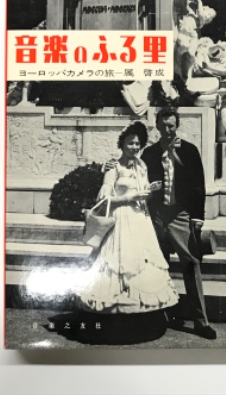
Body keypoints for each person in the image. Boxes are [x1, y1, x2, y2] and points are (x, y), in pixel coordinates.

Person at [75, 121, 179, 342]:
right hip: (121, 218)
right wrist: (129, 197)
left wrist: (149, 192)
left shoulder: (141, 166)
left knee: (142, 261)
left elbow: (143, 192)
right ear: (122, 144)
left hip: (140, 218)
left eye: (138, 144)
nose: (134, 147)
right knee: (118, 263)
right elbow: (103, 199)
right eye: (130, 143)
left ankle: (139, 317)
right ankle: (114, 318)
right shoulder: (114, 166)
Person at [140, 107, 217, 340]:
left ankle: (201, 322)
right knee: (158, 265)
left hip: (180, 214)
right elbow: (141, 180)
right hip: (157, 215)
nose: (167, 130)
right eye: (163, 125)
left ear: (177, 125)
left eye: (171, 125)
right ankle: (161, 316)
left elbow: (198, 184)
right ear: (157, 126)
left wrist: (197, 217)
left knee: (191, 262)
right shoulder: (149, 153)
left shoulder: (189, 151)